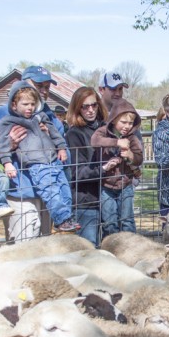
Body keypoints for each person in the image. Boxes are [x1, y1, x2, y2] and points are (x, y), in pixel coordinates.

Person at [0, 82, 79, 233]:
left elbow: (55, 133)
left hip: (53, 161)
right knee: (51, 191)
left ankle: (68, 217)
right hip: (36, 164)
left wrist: (61, 148)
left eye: (32, 104)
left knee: (64, 189)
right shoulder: (7, 122)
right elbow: (1, 145)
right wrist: (7, 163)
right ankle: (61, 219)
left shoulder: (41, 117)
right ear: (14, 105)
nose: (29, 108)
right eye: (25, 104)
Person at [91, 99, 143, 236]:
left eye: (130, 123)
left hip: (125, 184)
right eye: (123, 122)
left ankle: (131, 249)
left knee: (127, 220)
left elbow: (139, 158)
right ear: (114, 120)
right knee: (109, 222)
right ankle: (111, 249)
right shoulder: (103, 132)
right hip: (106, 186)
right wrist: (117, 142)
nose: (127, 126)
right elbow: (95, 141)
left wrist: (131, 155)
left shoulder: (132, 138)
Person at [64, 87, 108, 246]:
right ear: (77, 108)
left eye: (94, 105)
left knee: (112, 245)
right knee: (89, 247)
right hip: (86, 199)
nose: (91, 110)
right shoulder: (74, 134)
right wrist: (102, 169)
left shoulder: (107, 129)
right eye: (85, 106)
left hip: (109, 195)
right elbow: (78, 172)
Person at [21, 65, 65, 137]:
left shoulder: (54, 121)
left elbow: (64, 147)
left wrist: (50, 139)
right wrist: (9, 143)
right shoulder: (3, 114)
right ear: (23, 85)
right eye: (39, 85)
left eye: (47, 87)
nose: (44, 91)